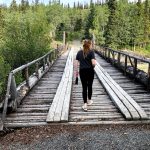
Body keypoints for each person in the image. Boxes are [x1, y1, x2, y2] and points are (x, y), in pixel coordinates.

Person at [75, 39, 96, 111]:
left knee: (84, 87)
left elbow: (76, 64)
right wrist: (94, 65)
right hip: (90, 71)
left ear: (83, 45)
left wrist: (76, 74)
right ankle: (89, 100)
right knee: (90, 86)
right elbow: (93, 63)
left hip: (82, 71)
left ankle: (85, 104)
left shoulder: (79, 52)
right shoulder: (91, 52)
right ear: (89, 45)